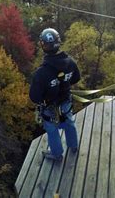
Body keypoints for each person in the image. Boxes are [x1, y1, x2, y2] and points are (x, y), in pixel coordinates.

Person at [30, 28, 80, 161]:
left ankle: (57, 154)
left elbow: (34, 97)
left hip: (49, 107)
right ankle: (73, 146)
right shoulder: (70, 62)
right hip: (66, 101)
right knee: (69, 122)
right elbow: (76, 78)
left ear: (43, 46)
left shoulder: (40, 73)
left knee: (52, 130)